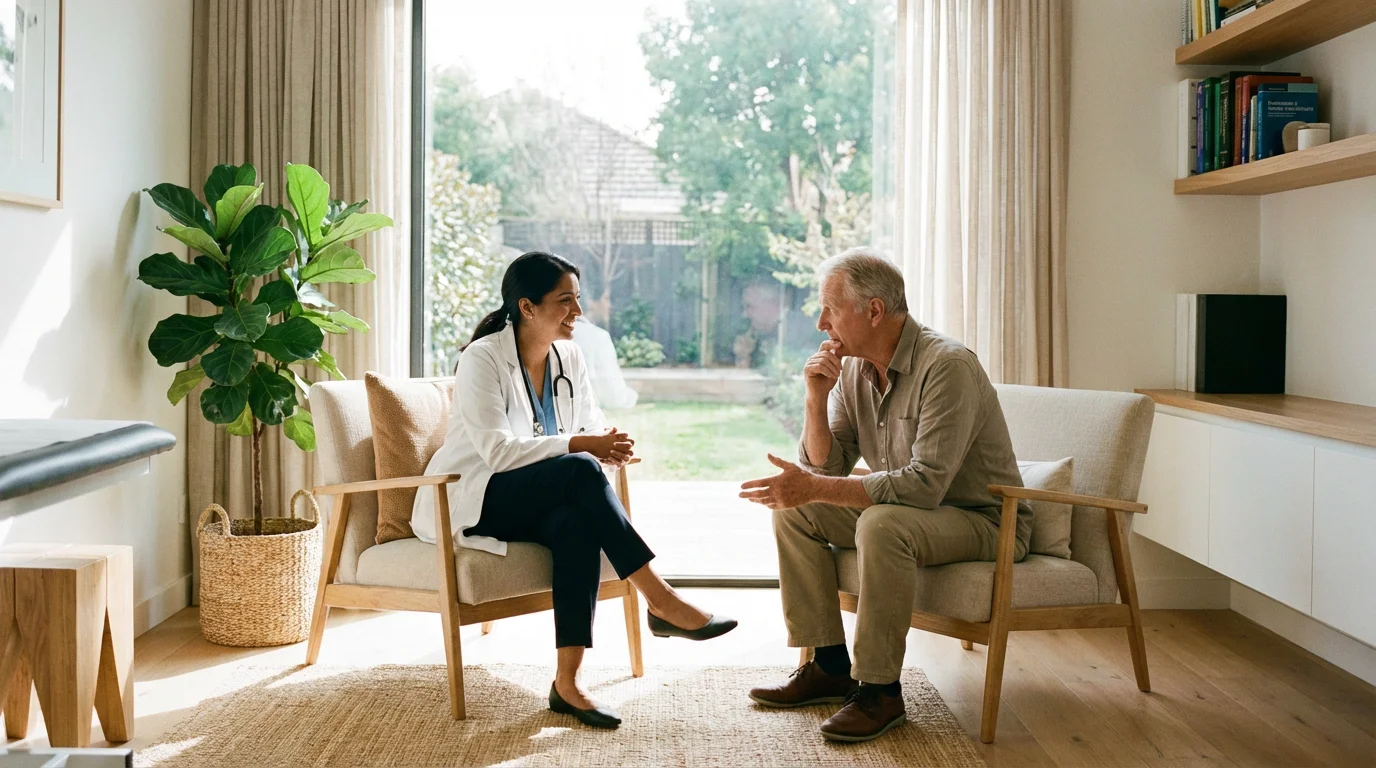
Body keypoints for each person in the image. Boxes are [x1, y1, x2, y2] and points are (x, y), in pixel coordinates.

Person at [412, 251, 737, 730]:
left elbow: (588, 423)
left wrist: (609, 446)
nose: (578, 313)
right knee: (581, 466)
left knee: (576, 522)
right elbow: (499, 453)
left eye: (578, 300)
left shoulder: (570, 355)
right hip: (474, 496)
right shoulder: (481, 359)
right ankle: (659, 598)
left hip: (538, 493)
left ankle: (568, 682)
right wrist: (586, 446)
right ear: (527, 307)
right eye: (565, 301)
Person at [738, 247, 1031, 743]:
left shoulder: (947, 366)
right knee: (799, 510)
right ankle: (830, 666)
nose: (819, 323)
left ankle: (880, 691)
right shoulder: (853, 369)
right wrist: (814, 398)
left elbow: (923, 485)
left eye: (829, 308)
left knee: (880, 522)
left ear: (873, 311)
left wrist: (814, 484)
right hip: (915, 514)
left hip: (982, 520)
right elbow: (824, 467)